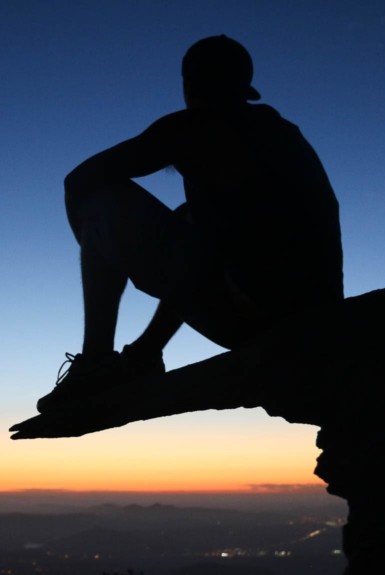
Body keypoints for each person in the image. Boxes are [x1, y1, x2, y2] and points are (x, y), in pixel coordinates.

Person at [37, 35, 342, 412]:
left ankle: (97, 360)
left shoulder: (193, 127)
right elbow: (208, 245)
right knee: (189, 217)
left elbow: (80, 182)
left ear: (189, 84)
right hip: (308, 319)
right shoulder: (281, 133)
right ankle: (146, 354)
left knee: (100, 204)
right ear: (245, 88)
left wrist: (103, 252)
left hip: (252, 317)